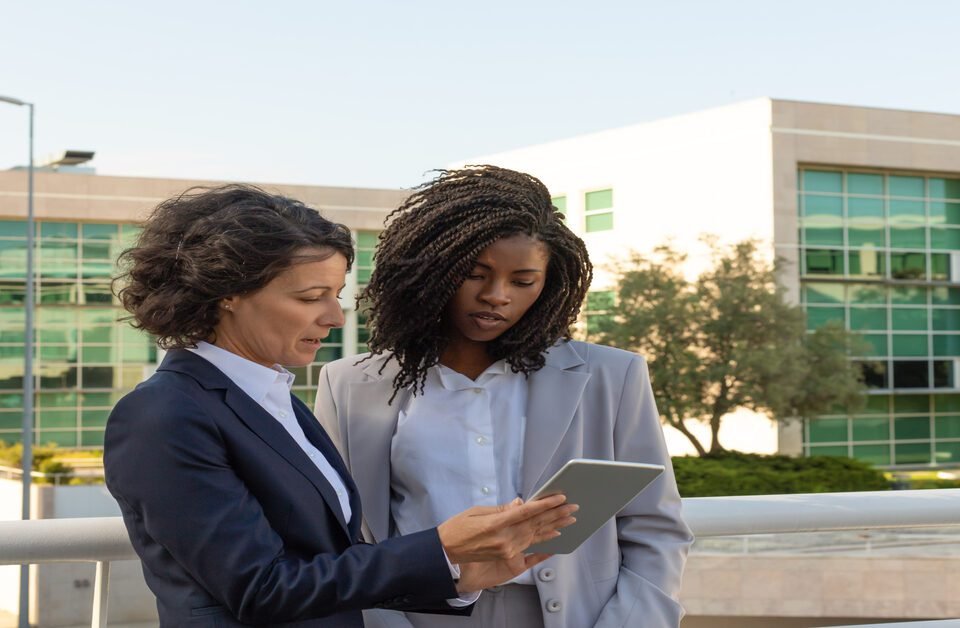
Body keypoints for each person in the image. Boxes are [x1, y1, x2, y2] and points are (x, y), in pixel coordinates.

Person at [103, 184, 577, 628]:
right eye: (311, 297)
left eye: (335, 295)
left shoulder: (276, 402)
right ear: (227, 293)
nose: (333, 317)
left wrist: (459, 575)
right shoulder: (162, 415)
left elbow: (330, 565)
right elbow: (259, 588)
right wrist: (438, 547)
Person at [315, 166, 693, 628]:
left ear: (548, 284)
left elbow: (654, 528)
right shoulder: (349, 384)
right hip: (414, 617)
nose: (497, 296)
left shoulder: (612, 376)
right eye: (475, 274)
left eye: (523, 281)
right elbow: (343, 538)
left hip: (578, 617)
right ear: (434, 270)